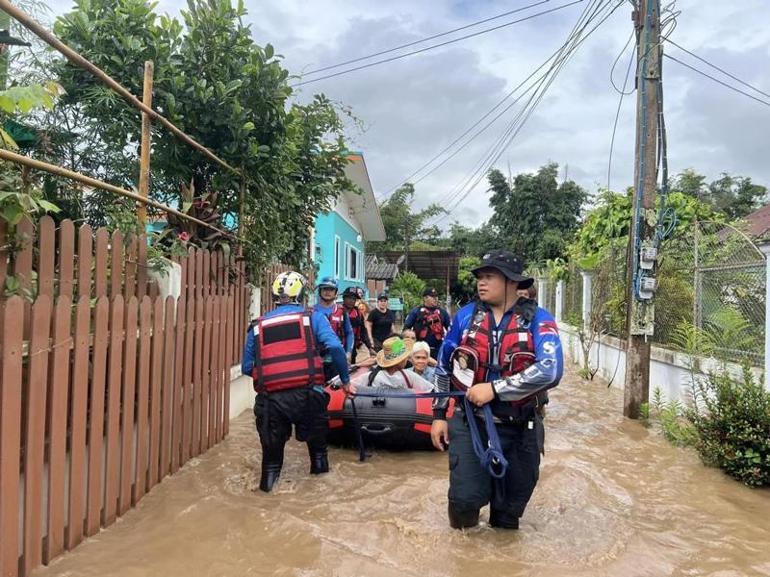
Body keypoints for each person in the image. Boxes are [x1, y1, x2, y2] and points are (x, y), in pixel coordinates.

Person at [430, 249, 563, 530]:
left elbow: (551, 369)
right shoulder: (465, 317)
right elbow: (443, 366)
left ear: (512, 282)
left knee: (507, 517)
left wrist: (495, 388)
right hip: (471, 423)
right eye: (480, 276)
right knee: (464, 503)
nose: (481, 282)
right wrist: (439, 415)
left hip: (521, 427)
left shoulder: (540, 320)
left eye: (490, 276)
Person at [242, 271, 355, 493]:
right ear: (302, 294)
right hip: (309, 395)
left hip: (271, 401)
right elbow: (335, 347)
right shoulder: (312, 317)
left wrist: (278, 377)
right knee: (319, 459)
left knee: (271, 465)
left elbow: (247, 367)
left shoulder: (257, 325)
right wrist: (345, 381)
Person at [353, 336, 434, 392]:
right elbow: (431, 390)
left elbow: (346, 383)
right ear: (401, 360)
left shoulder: (371, 376)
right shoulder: (410, 376)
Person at [313, 276, 354, 381]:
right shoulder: (311, 312)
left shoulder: (341, 311)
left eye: (331, 289)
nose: (328, 292)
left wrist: (348, 352)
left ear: (336, 292)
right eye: (325, 289)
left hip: (337, 360)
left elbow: (349, 333)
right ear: (320, 291)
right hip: (317, 361)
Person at [404, 287, 451, 359]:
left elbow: (451, 330)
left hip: (438, 349)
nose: (435, 299)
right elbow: (406, 329)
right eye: (432, 297)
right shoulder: (416, 311)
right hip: (420, 348)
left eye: (436, 296)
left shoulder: (442, 312)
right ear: (425, 298)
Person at [341, 286, 375, 364]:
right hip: (339, 346)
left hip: (352, 348)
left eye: (353, 299)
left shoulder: (358, 314)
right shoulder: (337, 312)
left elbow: (363, 332)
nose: (351, 301)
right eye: (349, 298)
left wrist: (370, 347)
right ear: (344, 298)